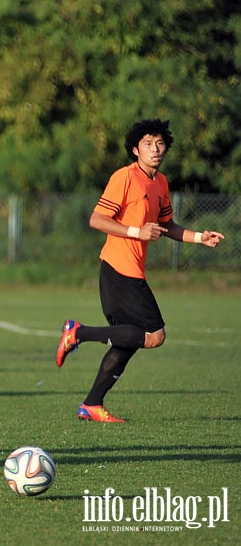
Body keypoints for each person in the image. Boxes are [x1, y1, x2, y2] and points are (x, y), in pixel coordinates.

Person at [56, 119, 224, 422]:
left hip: (133, 271)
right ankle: (77, 333)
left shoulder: (160, 183)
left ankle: (92, 404)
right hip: (118, 269)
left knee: (129, 341)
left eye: (160, 144)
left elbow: (167, 225)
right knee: (154, 334)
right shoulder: (124, 177)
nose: (155, 149)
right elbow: (97, 219)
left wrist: (200, 237)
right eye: (148, 144)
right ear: (135, 150)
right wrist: (136, 232)